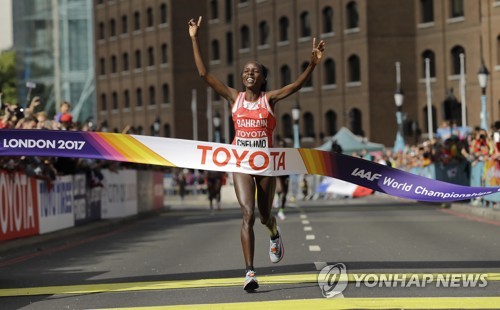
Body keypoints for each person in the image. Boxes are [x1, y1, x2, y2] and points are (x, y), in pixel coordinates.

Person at [188, 16, 325, 291]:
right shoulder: (233, 97)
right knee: (247, 214)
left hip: (266, 164)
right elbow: (204, 75)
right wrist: (194, 38)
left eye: (255, 71)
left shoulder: (269, 99)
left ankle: (274, 233)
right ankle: (250, 272)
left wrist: (311, 64)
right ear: (242, 77)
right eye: (246, 70)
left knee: (264, 216)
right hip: (240, 162)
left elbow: (295, 87)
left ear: (262, 79)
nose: (249, 73)